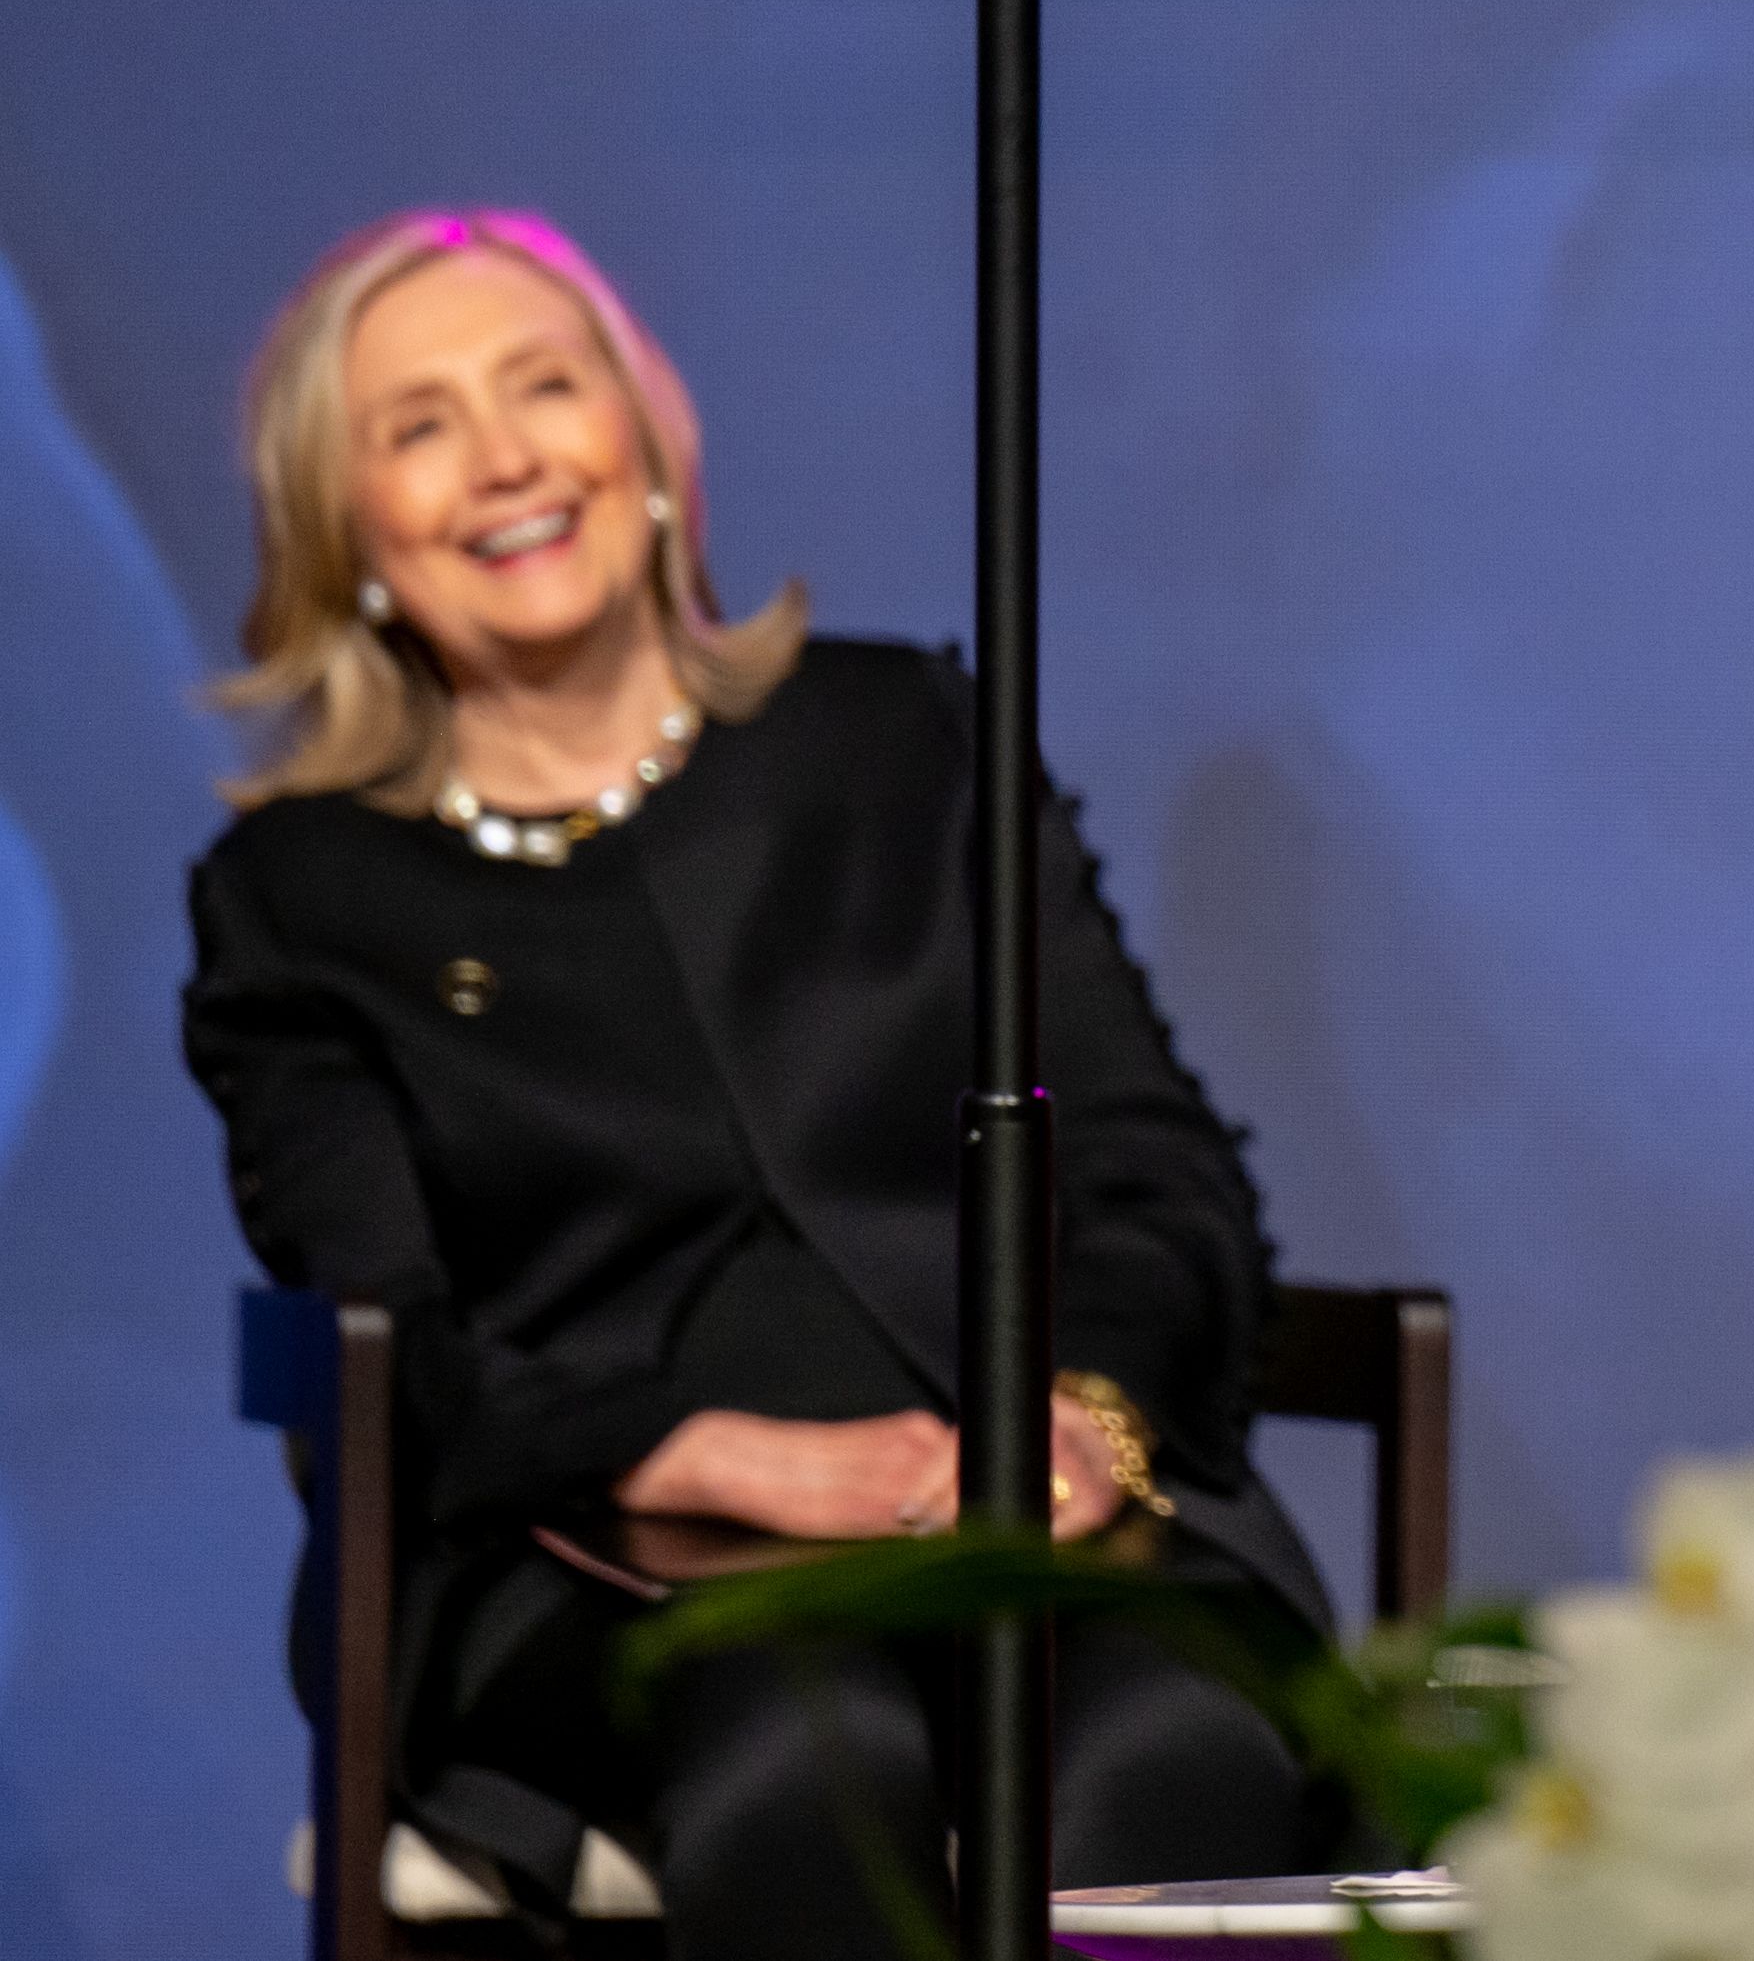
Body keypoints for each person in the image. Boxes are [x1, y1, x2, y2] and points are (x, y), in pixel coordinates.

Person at [180, 211, 1327, 1954]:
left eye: (544, 385)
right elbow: (390, 1334)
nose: (503, 458)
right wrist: (733, 1459)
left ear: (647, 444)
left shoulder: (906, 736)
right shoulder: (302, 896)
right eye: (417, 426)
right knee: (812, 1772)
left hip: (1030, 1516)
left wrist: (1087, 1417)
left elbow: (1155, 1166)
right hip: (596, 1560)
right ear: (347, 539)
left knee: (1162, 1758)